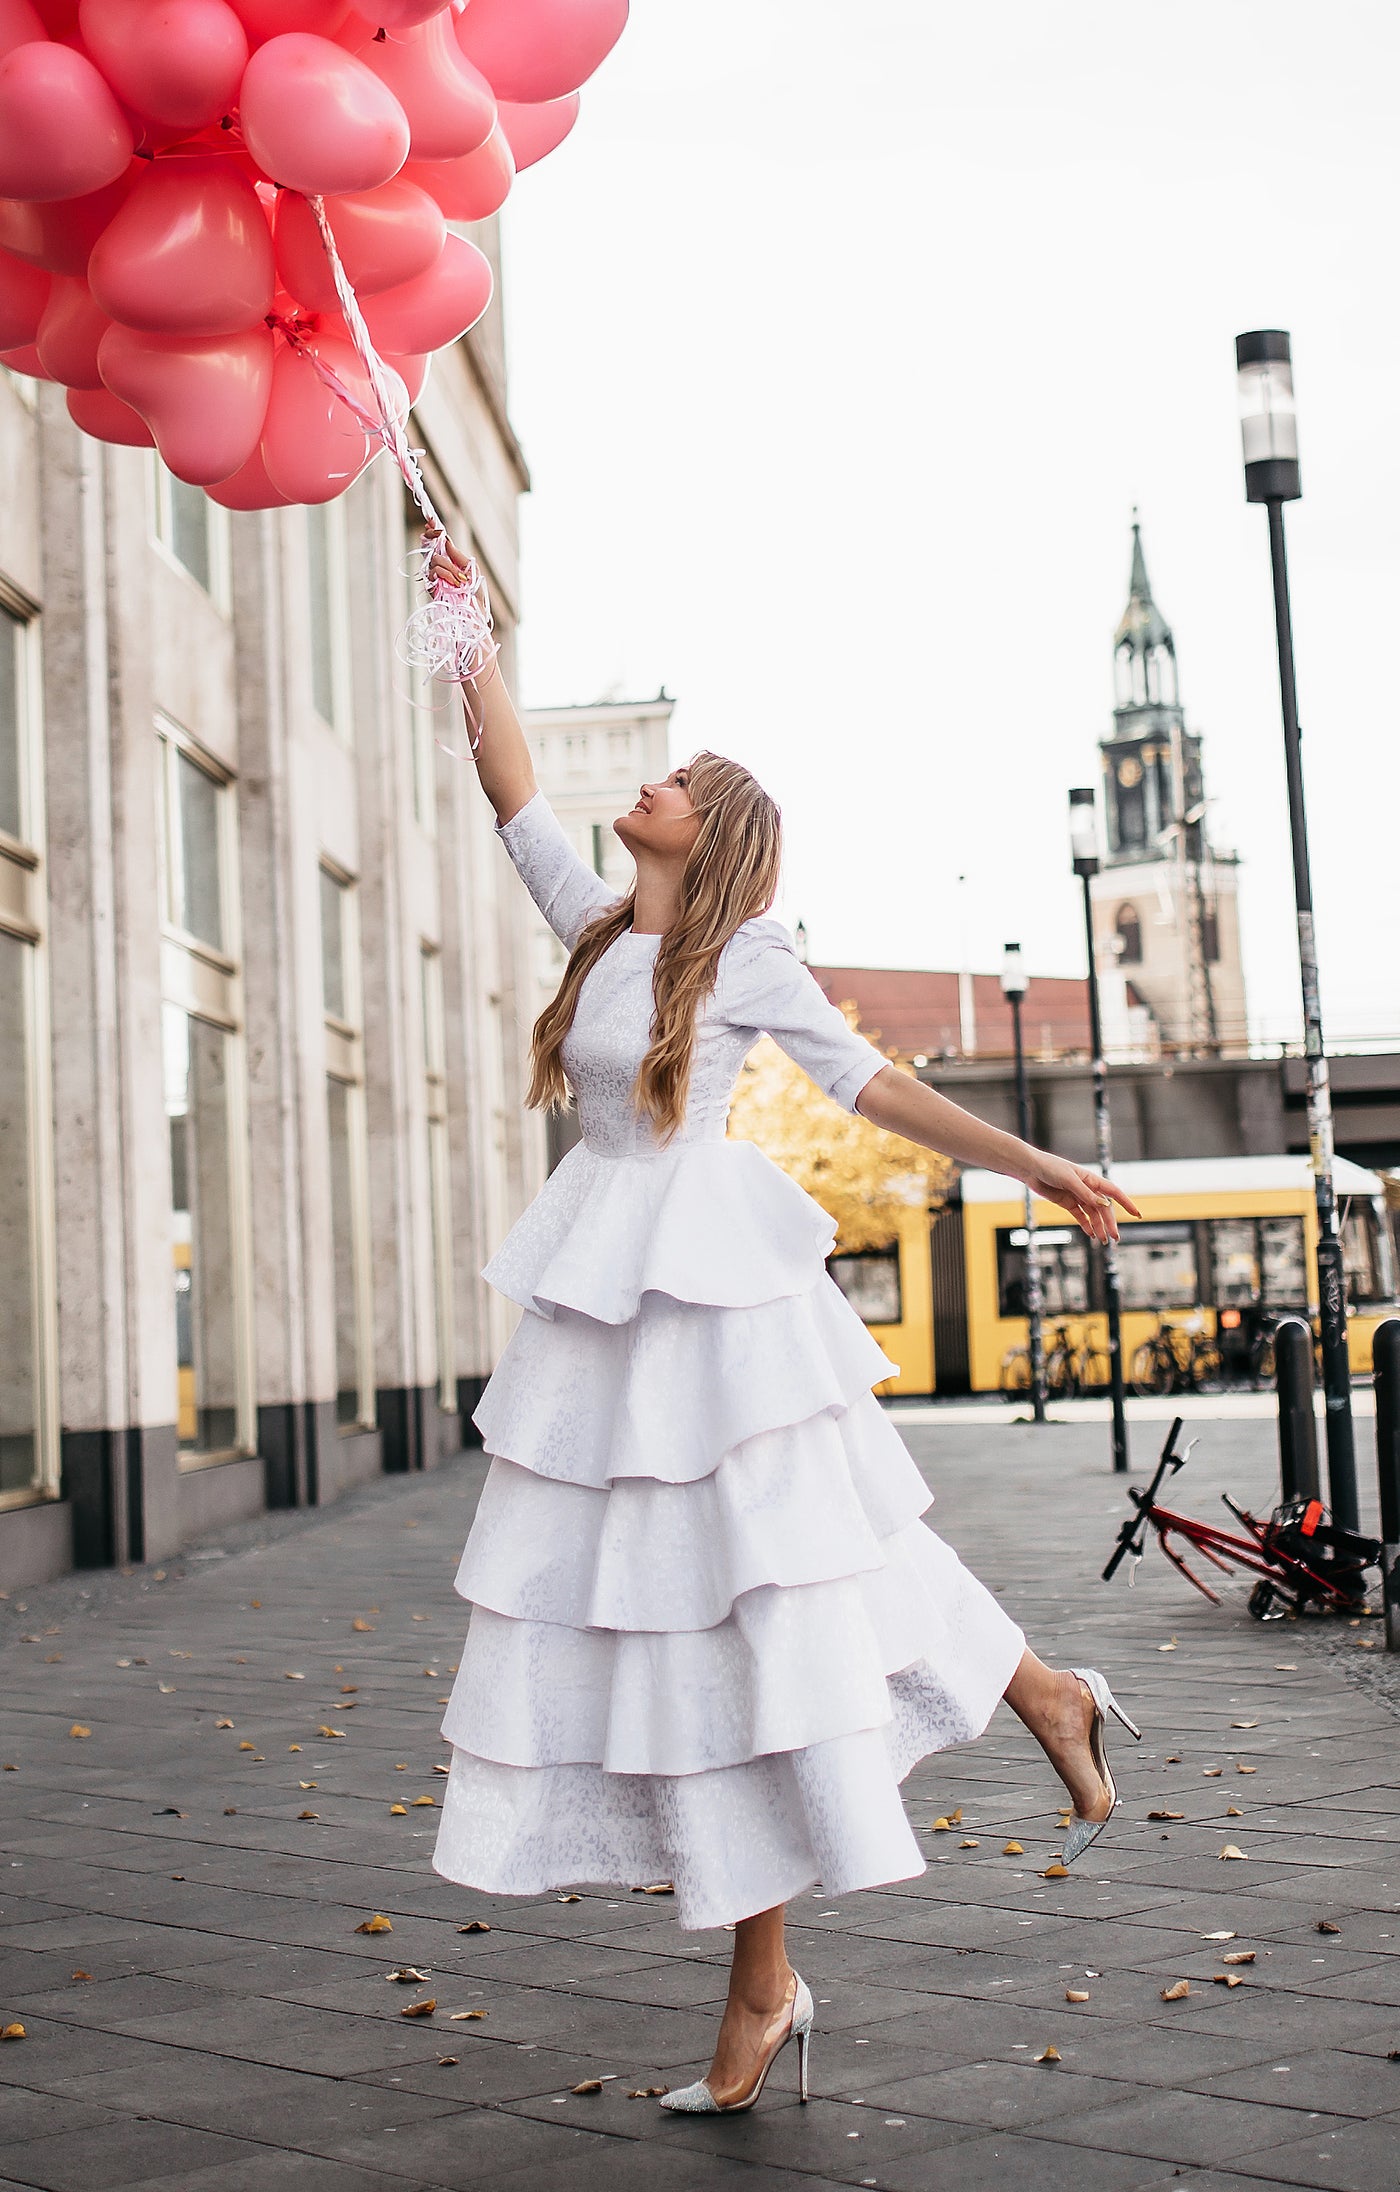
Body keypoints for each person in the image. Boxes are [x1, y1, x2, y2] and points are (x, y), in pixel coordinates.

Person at [427, 537, 1142, 2115]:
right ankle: (1020, 1712)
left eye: (678, 779)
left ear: (719, 827)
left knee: (769, 1604)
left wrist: (1035, 1164)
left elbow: (870, 1087)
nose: (652, 788)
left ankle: (997, 1742)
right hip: (609, 1306)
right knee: (728, 1621)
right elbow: (507, 786)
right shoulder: (602, 927)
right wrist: (456, 614)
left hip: (712, 1305)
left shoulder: (744, 955)